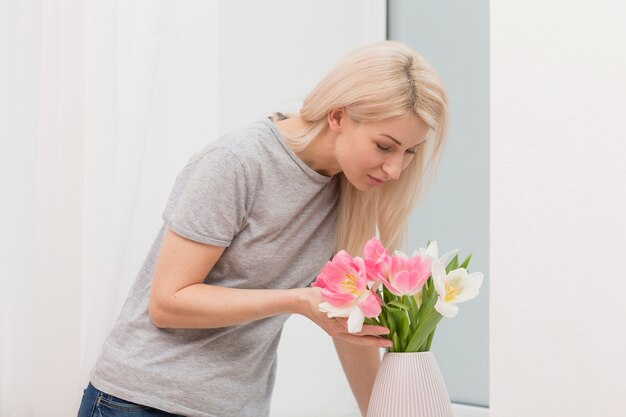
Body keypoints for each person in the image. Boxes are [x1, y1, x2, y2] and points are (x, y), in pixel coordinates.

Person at [77, 40, 449, 417]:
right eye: (385, 146)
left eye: (410, 152)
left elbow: (350, 329)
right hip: (140, 402)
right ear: (338, 117)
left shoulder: (352, 190)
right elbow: (168, 302)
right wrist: (295, 300)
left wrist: (379, 411)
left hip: (236, 407)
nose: (395, 169)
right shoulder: (238, 162)